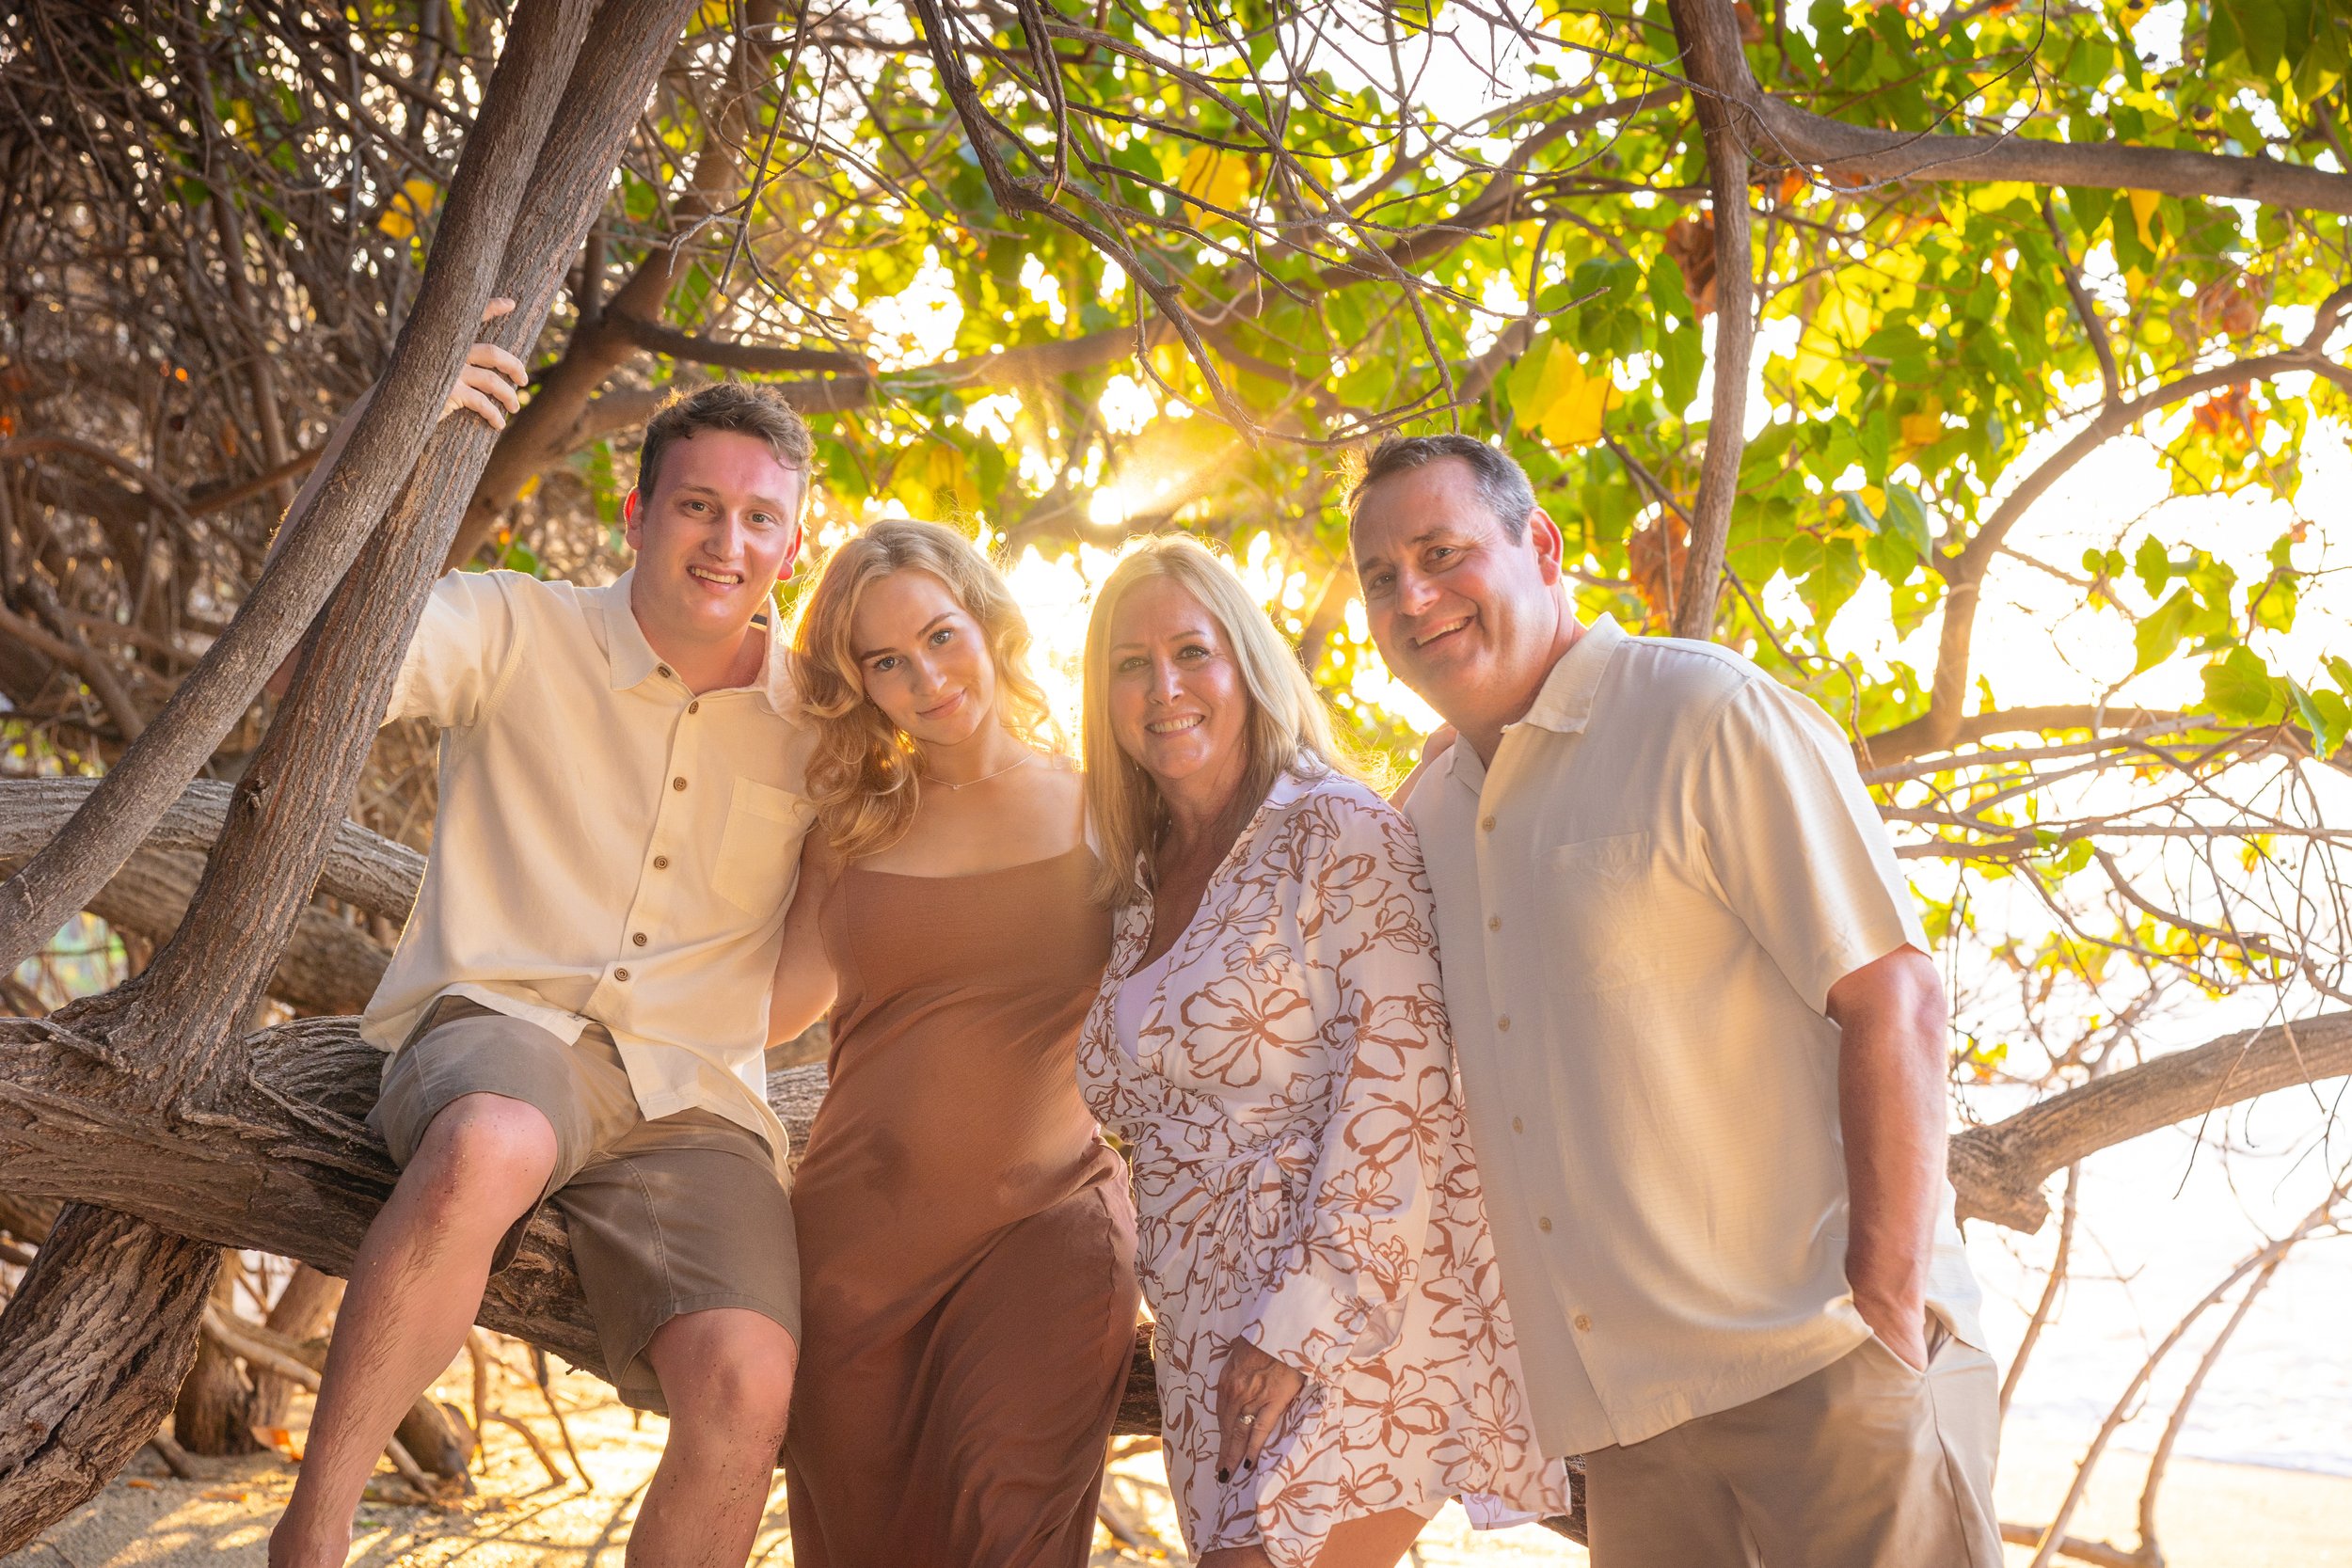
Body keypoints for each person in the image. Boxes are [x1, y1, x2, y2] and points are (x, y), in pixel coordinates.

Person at [1348, 432, 2000, 1568]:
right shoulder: (1429, 817)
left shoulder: (1702, 712)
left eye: (1442, 551)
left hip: (1823, 1372)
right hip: (1632, 1432)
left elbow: (1892, 993)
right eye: (1379, 577)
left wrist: (1887, 1307)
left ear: (1540, 547)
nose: (1414, 595)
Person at [270, 347, 817, 1568]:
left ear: (793, 541)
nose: (725, 540)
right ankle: (311, 1534)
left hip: (694, 1098)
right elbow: (307, 660)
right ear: (637, 513)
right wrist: (380, 421)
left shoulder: (820, 725)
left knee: (749, 1377)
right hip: (501, 1026)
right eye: (696, 505)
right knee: (491, 1141)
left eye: (757, 516)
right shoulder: (514, 623)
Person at [1074, 535, 1569, 1568]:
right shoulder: (1135, 878)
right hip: (1205, 1333)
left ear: (1247, 664)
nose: (1163, 687)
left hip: (1345, 1320)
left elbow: (1405, 1094)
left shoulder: (1334, 829)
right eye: (1130, 663)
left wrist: (1296, 1326)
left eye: (1192, 651)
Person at [765, 518, 1141, 1568]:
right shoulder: (848, 823)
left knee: (1008, 1528)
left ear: (987, 620)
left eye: (940, 635)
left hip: (1042, 1225)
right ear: (861, 684)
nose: (926, 676)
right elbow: (770, 1007)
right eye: (886, 661)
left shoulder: (1107, 805)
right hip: (849, 1257)